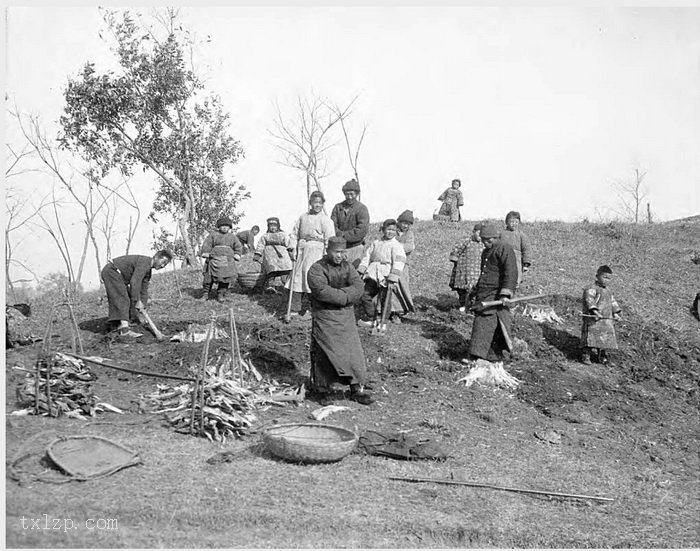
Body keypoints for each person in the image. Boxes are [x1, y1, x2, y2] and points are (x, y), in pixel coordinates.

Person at [306, 236, 372, 405]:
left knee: (353, 353)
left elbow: (358, 286)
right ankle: (323, 390)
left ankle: (356, 388)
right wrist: (344, 297)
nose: (339, 256)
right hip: (325, 316)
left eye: (342, 252)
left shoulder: (348, 268)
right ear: (328, 251)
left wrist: (345, 297)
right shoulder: (316, 269)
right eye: (336, 252)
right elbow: (321, 290)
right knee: (325, 353)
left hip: (346, 317)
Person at [465, 224, 518, 361]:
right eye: (483, 241)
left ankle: (480, 355)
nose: (485, 243)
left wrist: (505, 294)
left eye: (488, 240)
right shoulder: (486, 252)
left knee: (485, 322)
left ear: (495, 237)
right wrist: (475, 290)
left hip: (496, 293)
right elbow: (484, 273)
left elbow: (511, 273)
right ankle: (487, 354)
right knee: (485, 324)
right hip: (485, 292)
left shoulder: (505, 248)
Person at [287, 191, 336, 319]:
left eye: (320, 203)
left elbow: (329, 239)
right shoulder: (303, 217)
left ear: (323, 204)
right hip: (302, 250)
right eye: (315, 202)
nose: (317, 205)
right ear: (310, 203)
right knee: (297, 280)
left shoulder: (326, 220)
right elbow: (294, 234)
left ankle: (311, 309)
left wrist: (327, 256)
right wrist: (292, 248)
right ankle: (294, 309)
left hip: (316, 252)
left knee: (312, 280)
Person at [101, 250, 173, 337]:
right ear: (156, 257)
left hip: (118, 276)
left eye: (165, 264)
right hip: (112, 271)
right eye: (163, 262)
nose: (162, 265)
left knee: (127, 296)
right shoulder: (144, 263)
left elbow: (144, 289)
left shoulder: (148, 271)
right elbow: (134, 283)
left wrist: (143, 304)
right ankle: (124, 330)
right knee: (123, 298)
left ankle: (118, 323)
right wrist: (137, 300)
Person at [356, 219, 408, 327]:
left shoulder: (396, 245)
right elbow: (367, 256)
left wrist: (393, 276)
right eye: (388, 229)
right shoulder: (376, 243)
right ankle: (372, 317)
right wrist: (362, 268)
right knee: (364, 295)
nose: (390, 232)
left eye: (393, 230)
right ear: (383, 230)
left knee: (385, 299)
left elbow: (399, 261)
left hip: (386, 275)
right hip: (373, 274)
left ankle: (382, 322)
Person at [581, 265, 622, 365]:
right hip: (594, 319)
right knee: (590, 337)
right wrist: (595, 312)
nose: (606, 280)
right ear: (597, 276)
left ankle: (602, 357)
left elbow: (613, 302)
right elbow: (589, 301)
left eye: (609, 278)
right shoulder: (591, 288)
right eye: (604, 277)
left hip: (606, 320)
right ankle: (586, 356)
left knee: (605, 340)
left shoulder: (608, 291)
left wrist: (616, 313)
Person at [330, 178, 370, 268]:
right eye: (347, 194)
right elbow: (332, 225)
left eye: (352, 194)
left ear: (356, 194)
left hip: (355, 247)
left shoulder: (362, 209)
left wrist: (343, 236)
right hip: (339, 248)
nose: (350, 197)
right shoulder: (338, 207)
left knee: (353, 274)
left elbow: (361, 230)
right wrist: (339, 236)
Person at [201, 217, 243, 302]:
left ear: (230, 228)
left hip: (227, 262)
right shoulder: (213, 235)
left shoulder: (233, 237)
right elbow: (207, 244)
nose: (224, 228)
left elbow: (238, 246)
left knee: (225, 279)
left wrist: (237, 254)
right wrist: (206, 252)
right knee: (208, 279)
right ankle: (205, 294)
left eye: (227, 226)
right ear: (218, 227)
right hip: (213, 261)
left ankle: (221, 294)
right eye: (222, 226)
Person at [449, 223, 485, 312]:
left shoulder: (483, 244)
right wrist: (455, 259)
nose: (480, 235)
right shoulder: (466, 241)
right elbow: (456, 250)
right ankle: (462, 305)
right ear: (473, 232)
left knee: (474, 290)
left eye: (482, 234)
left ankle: (471, 307)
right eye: (478, 233)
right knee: (462, 290)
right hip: (463, 271)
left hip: (477, 272)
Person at [252, 217, 293, 293]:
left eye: (275, 226)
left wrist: (291, 252)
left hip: (283, 257)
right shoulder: (265, 236)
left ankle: (288, 287)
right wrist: (258, 254)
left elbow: (289, 244)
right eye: (271, 226)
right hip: (270, 257)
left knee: (285, 273)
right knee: (271, 272)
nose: (273, 228)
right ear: (268, 227)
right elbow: (260, 245)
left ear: (278, 226)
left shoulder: (283, 235)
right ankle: (270, 287)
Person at [499, 211, 532, 289]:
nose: (514, 224)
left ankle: (515, 285)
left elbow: (526, 249)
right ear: (507, 222)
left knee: (516, 273)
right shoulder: (502, 234)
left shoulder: (521, 235)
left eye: (516, 222)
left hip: (516, 258)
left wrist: (526, 263)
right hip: (503, 256)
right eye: (512, 222)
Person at [393, 210, 417, 320]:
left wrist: (395, 247)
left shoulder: (410, 234)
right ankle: (390, 311)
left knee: (402, 286)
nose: (405, 226)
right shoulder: (393, 230)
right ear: (399, 222)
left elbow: (409, 247)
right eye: (404, 223)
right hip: (391, 263)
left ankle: (400, 310)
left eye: (408, 224)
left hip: (403, 264)